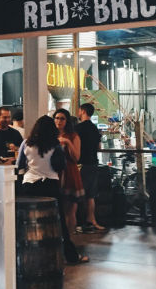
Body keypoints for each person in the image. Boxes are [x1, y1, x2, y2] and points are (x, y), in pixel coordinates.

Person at [17, 115, 88, 265]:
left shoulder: (26, 143)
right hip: (50, 185)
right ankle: (71, 257)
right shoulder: (55, 145)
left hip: (29, 185)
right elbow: (59, 166)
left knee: (27, 221)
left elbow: (20, 166)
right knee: (59, 222)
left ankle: (24, 256)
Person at [53, 108, 84, 239]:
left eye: (62, 118)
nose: (59, 121)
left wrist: (68, 143)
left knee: (70, 209)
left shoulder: (73, 136)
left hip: (69, 172)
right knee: (58, 209)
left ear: (67, 121)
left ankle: (69, 238)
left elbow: (76, 157)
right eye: (57, 118)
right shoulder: (51, 135)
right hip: (55, 173)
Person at [76, 103, 106, 231]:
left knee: (78, 194)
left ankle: (78, 223)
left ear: (82, 111)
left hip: (81, 165)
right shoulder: (95, 129)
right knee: (91, 195)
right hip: (93, 163)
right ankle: (91, 219)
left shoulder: (77, 128)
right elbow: (99, 147)